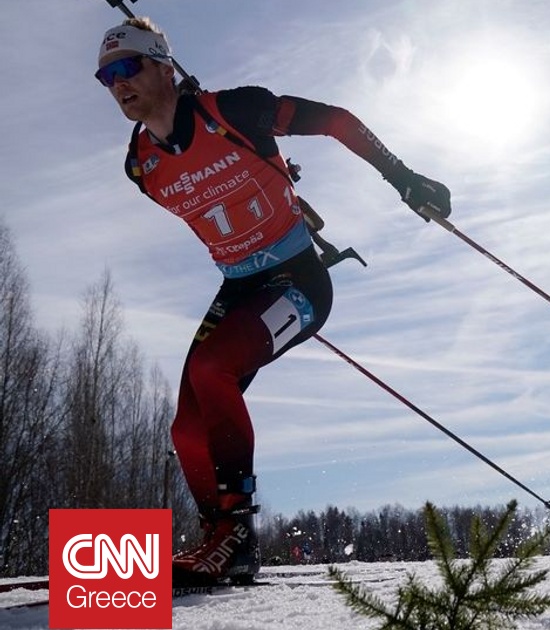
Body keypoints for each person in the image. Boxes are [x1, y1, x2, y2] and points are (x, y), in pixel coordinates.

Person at [96, 18, 451, 584]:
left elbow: (336, 121)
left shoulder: (236, 110)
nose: (118, 83)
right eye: (106, 76)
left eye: (128, 67)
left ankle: (234, 533)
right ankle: (225, 541)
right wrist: (274, 173)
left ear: (164, 65)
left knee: (215, 369)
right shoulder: (140, 167)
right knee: (186, 430)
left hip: (299, 280)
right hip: (238, 286)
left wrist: (403, 177)